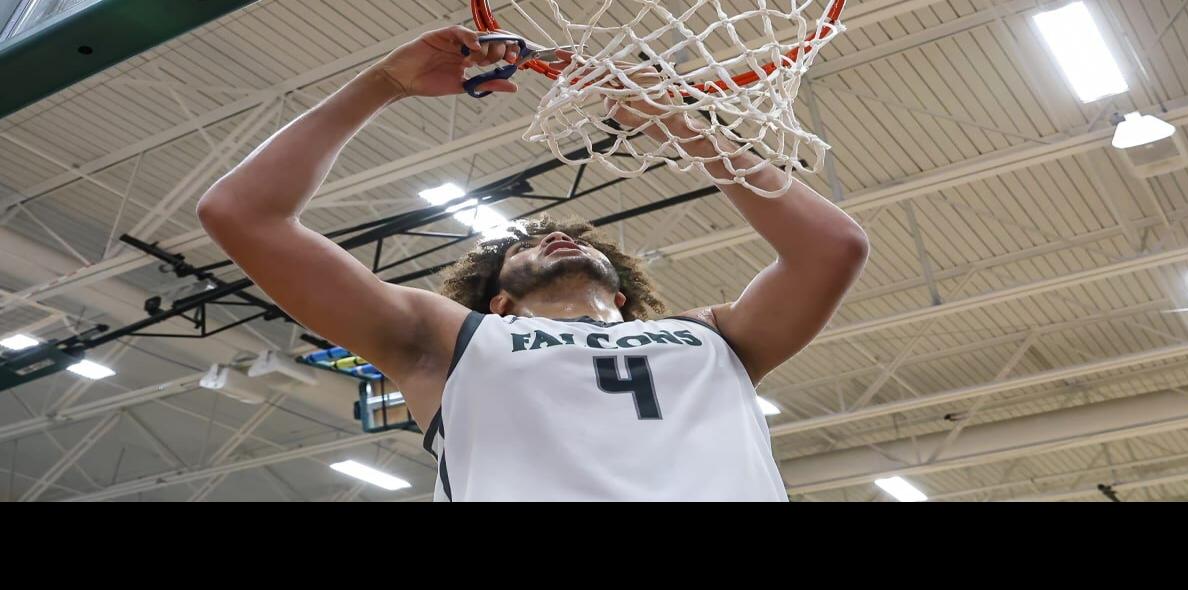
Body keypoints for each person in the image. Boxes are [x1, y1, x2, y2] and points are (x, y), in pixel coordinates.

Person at [197, 26, 869, 501]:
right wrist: (384, 84)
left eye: (581, 243)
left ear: (626, 297)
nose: (555, 240)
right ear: (499, 303)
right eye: (522, 246)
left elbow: (833, 247)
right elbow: (241, 214)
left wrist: (677, 124)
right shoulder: (447, 340)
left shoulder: (716, 336)